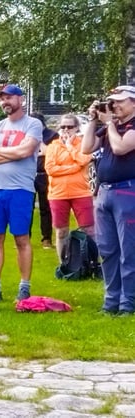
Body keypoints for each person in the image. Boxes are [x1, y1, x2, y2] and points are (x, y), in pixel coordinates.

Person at [0, 84, 43, 303]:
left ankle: (24, 287)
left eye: (9, 97)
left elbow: (26, 151)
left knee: (21, 238)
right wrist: (10, 154)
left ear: (20, 99)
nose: (5, 101)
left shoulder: (33, 124)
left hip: (21, 190)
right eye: (2, 98)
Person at [82, 85, 135, 316]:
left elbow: (121, 148)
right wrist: (93, 121)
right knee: (108, 249)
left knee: (129, 250)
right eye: (113, 101)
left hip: (128, 191)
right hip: (105, 192)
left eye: (120, 101)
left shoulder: (130, 127)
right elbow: (86, 148)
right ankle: (111, 301)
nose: (115, 105)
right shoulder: (109, 128)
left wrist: (110, 124)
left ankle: (128, 302)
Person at [45, 113, 94, 262]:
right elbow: (50, 169)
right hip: (58, 194)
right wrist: (74, 167)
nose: (66, 130)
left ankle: (90, 262)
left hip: (81, 193)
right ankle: (64, 264)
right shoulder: (53, 146)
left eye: (70, 127)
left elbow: (84, 159)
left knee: (88, 229)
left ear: (77, 128)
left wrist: (69, 146)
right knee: (61, 231)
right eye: (63, 126)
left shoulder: (84, 144)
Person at [31, 113, 57, 250]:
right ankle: (24, 237)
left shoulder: (52, 135)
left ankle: (46, 238)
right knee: (26, 208)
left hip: (45, 175)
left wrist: (39, 140)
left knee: (45, 208)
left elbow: (51, 153)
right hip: (28, 175)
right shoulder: (27, 135)